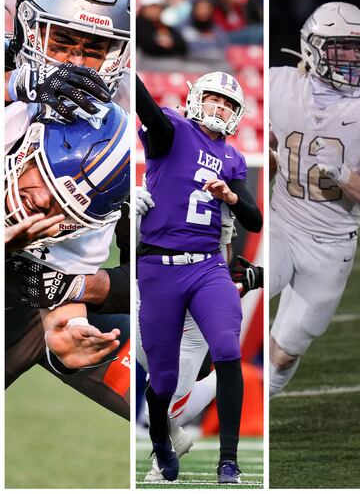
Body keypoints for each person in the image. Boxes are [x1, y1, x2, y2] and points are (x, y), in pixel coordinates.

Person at [4, 0, 132, 420]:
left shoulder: (117, 128)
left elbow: (150, 272)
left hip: (30, 289)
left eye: (93, 49)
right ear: (29, 28)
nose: (75, 61)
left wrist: (70, 318)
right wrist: (15, 85)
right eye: (62, 42)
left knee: (176, 390)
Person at [136, 70, 262, 484]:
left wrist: (229, 195)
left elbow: (254, 220)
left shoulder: (233, 158)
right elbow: (148, 112)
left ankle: (229, 460)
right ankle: (162, 445)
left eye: (228, 103)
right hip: (158, 267)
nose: (220, 106)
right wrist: (127, 64)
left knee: (228, 349)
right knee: (164, 379)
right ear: (195, 99)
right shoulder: (172, 130)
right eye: (213, 98)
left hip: (207, 265)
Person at [268, 2, 360, 398]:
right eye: (342, 47)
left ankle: (251, 411)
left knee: (287, 350)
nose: (355, 58)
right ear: (312, 47)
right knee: (234, 299)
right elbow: (261, 149)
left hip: (331, 243)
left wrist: (344, 174)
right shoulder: (277, 84)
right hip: (281, 224)